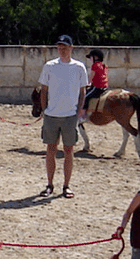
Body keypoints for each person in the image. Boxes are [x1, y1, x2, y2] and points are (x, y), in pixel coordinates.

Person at [37, 34, 88, 199]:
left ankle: (66, 185)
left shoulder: (79, 67)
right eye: (59, 47)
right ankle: (49, 184)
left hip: (70, 115)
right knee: (50, 149)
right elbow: (44, 89)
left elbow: (83, 91)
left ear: (71, 48)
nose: (62, 49)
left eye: (64, 47)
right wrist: (44, 109)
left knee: (68, 150)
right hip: (51, 115)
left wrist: (79, 110)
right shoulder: (49, 66)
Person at [81, 49, 108, 120]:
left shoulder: (95, 65)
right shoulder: (104, 65)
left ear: (95, 57)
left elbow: (91, 78)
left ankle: (82, 116)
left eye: (91, 57)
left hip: (97, 87)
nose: (90, 59)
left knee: (84, 97)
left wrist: (86, 84)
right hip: (104, 87)